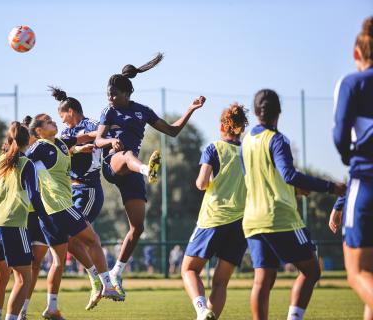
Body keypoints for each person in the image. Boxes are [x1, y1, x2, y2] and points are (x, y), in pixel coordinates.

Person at [95, 53, 206, 299]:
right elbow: (97, 139)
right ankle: (147, 169)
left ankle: (116, 272)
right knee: (125, 153)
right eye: (108, 94)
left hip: (131, 169)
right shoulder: (109, 112)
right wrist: (110, 140)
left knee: (137, 227)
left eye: (114, 94)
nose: (110, 98)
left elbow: (173, 131)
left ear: (127, 93)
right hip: (113, 163)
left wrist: (190, 109)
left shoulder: (142, 111)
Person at [241, 89, 346, 320]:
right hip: (279, 217)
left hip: (252, 219)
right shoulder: (277, 139)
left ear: (256, 112)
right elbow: (288, 175)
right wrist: (330, 187)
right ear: (279, 111)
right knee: (311, 271)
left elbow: (255, 176)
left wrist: (294, 188)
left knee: (263, 279)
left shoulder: (247, 141)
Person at [25, 112, 121, 319]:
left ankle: (51, 308)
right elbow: (23, 161)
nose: (54, 122)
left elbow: (84, 137)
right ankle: (107, 285)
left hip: (50, 214)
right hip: (59, 207)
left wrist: (107, 133)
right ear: (39, 131)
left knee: (58, 262)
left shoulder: (59, 142)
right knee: (93, 240)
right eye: (49, 122)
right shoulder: (39, 147)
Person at [0, 122, 53, 320]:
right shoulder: (27, 164)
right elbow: (34, 197)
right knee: (23, 279)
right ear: (28, 142)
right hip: (12, 225)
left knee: (1, 275)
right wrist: (48, 222)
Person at [182, 103, 249, 320]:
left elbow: (201, 183)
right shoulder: (248, 153)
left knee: (189, 270)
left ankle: (202, 310)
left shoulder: (214, 148)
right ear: (242, 128)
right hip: (241, 223)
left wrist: (211, 180)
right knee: (221, 282)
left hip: (213, 219)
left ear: (222, 125)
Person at [329, 16, 373, 320]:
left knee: (357, 273)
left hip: (367, 181)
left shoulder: (353, 83)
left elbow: (340, 136)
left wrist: (349, 159)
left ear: (357, 54)